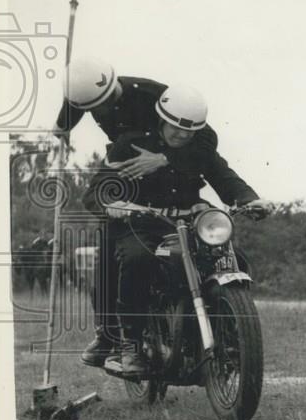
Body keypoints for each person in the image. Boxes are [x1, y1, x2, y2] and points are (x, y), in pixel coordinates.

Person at [83, 84, 271, 376]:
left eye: (190, 130)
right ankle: (130, 345)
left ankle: (231, 332)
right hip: (140, 223)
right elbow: (96, 191)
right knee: (137, 260)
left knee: (234, 256)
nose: (182, 134)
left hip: (188, 221)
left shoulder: (198, 152)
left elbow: (225, 178)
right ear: (161, 118)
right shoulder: (130, 144)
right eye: (176, 127)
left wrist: (251, 200)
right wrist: (112, 203)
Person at [55, 57, 221, 367]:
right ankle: (108, 335)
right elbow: (75, 104)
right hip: (124, 180)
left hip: (167, 175)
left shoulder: (155, 95)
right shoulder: (86, 96)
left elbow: (206, 138)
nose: (102, 111)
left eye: (107, 101)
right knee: (109, 254)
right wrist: (60, 129)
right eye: (95, 108)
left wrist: (164, 158)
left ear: (114, 83)